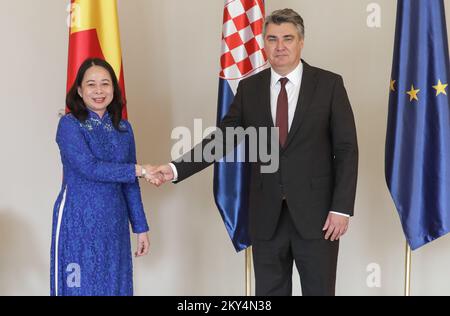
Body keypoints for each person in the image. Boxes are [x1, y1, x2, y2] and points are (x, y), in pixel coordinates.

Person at [149, 9, 358, 296]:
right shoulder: (249, 89)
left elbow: (346, 149)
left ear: (301, 42)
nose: (280, 46)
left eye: (288, 38)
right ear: (263, 43)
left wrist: (341, 208)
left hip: (318, 218)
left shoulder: (329, 84)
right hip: (266, 217)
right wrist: (175, 169)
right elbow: (222, 139)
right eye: (272, 39)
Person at [50, 58, 157, 296]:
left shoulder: (124, 128)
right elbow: (90, 167)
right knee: (79, 290)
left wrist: (140, 227)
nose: (99, 91)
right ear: (79, 89)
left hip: (114, 225)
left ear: (113, 89)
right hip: (78, 223)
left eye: (105, 84)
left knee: (115, 288)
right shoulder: (69, 125)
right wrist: (139, 169)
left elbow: (130, 185)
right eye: (91, 84)